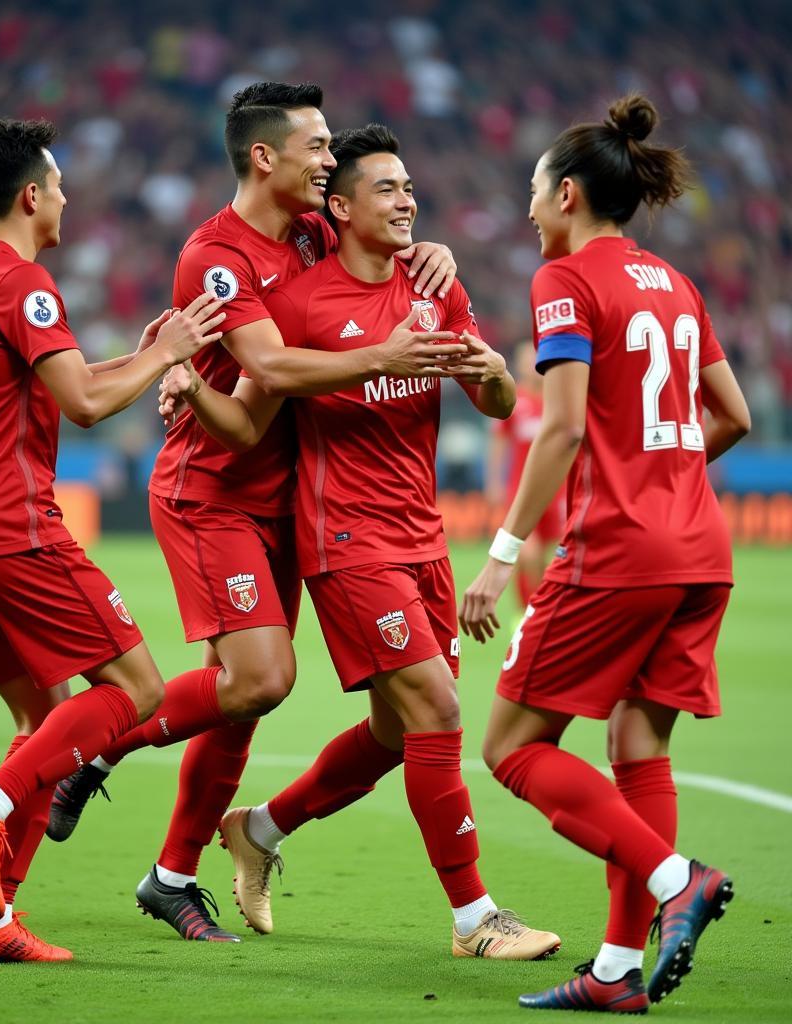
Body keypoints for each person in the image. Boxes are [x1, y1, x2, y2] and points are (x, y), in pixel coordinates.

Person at [44, 82, 462, 943]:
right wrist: (384, 352)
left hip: (297, 496)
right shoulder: (215, 257)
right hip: (217, 488)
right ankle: (102, 741)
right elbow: (270, 369)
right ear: (265, 156)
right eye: (316, 146)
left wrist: (434, 253)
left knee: (246, 699)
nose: (330, 158)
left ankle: (170, 875)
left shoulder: (314, 231)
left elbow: (375, 252)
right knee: (261, 678)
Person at [161, 123, 560, 960]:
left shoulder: (433, 285)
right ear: (339, 207)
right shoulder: (302, 305)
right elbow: (250, 411)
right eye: (388, 188)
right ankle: (474, 919)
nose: (408, 199)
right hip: (344, 538)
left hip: (423, 537)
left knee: (395, 733)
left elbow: (491, 401)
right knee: (440, 711)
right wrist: (190, 386)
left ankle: (259, 830)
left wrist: (488, 369)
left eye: (411, 186)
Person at [459, 94, 750, 1012]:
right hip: (701, 549)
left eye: (536, 193)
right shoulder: (674, 282)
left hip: (618, 551)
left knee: (510, 746)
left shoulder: (566, 281)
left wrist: (503, 553)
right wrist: (664, 473)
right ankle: (619, 974)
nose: (531, 211)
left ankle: (676, 884)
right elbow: (734, 417)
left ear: (571, 194)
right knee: (636, 745)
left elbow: (563, 429)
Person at [0, 117, 225, 964]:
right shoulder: (25, 282)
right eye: (56, 185)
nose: (64, 197)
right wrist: (164, 354)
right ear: (29, 195)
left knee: (45, 718)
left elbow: (67, 385)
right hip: (11, 523)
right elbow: (88, 409)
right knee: (137, 688)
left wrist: (142, 355)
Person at [484, 341, 566, 611]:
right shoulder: (514, 400)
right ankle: (526, 613)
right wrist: (494, 482)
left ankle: (539, 611)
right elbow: (498, 443)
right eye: (526, 361)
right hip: (521, 490)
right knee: (528, 555)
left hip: (558, 492)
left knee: (550, 559)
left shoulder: (559, 400)